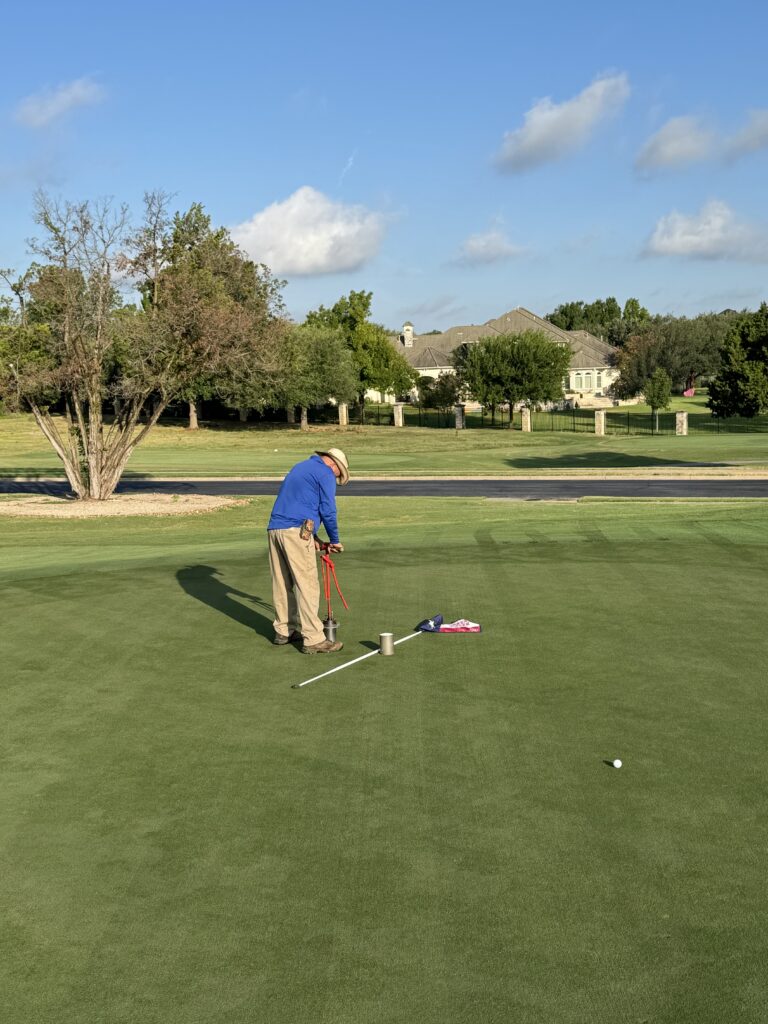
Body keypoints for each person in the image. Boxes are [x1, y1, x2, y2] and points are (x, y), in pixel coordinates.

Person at [267, 448, 350, 654]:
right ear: (334, 465)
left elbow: (299, 503)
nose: (336, 478)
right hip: (296, 529)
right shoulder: (325, 473)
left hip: (275, 528)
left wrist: (315, 538)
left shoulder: (301, 467)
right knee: (307, 584)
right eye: (338, 474)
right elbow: (328, 509)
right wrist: (335, 540)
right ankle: (313, 638)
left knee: (281, 582)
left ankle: (283, 630)